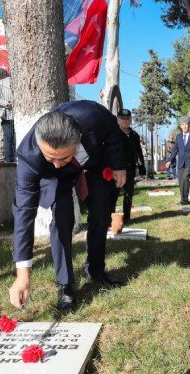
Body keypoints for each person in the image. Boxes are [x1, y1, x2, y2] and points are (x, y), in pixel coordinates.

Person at [9, 101, 127, 311]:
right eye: (50, 156)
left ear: (79, 138)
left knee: (101, 213)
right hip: (55, 179)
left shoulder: (92, 115)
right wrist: (23, 274)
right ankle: (65, 285)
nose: (56, 162)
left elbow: (113, 131)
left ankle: (96, 269)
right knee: (62, 219)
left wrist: (118, 165)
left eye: (62, 157)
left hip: (93, 164)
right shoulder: (30, 159)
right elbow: (23, 215)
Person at [114, 109, 146, 223]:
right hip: (116, 169)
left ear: (131, 120)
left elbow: (138, 152)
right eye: (122, 119)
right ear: (117, 120)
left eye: (127, 119)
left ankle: (127, 217)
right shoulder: (113, 134)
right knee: (114, 195)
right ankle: (111, 217)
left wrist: (142, 168)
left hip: (130, 169)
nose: (125, 121)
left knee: (128, 194)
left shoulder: (134, 135)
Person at [165, 116, 190, 205]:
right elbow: (175, 150)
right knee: (181, 180)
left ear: (189, 125)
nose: (185, 126)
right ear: (181, 126)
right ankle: (183, 198)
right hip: (181, 162)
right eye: (183, 124)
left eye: (186, 124)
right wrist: (170, 160)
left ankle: (184, 200)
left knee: (185, 178)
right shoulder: (178, 137)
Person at [0, 68, 15, 163]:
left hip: (6, 115)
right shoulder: (18, 81)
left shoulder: (0, 83)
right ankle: (15, 160)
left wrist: (4, 104)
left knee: (7, 140)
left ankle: (8, 161)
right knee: (11, 140)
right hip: (14, 115)